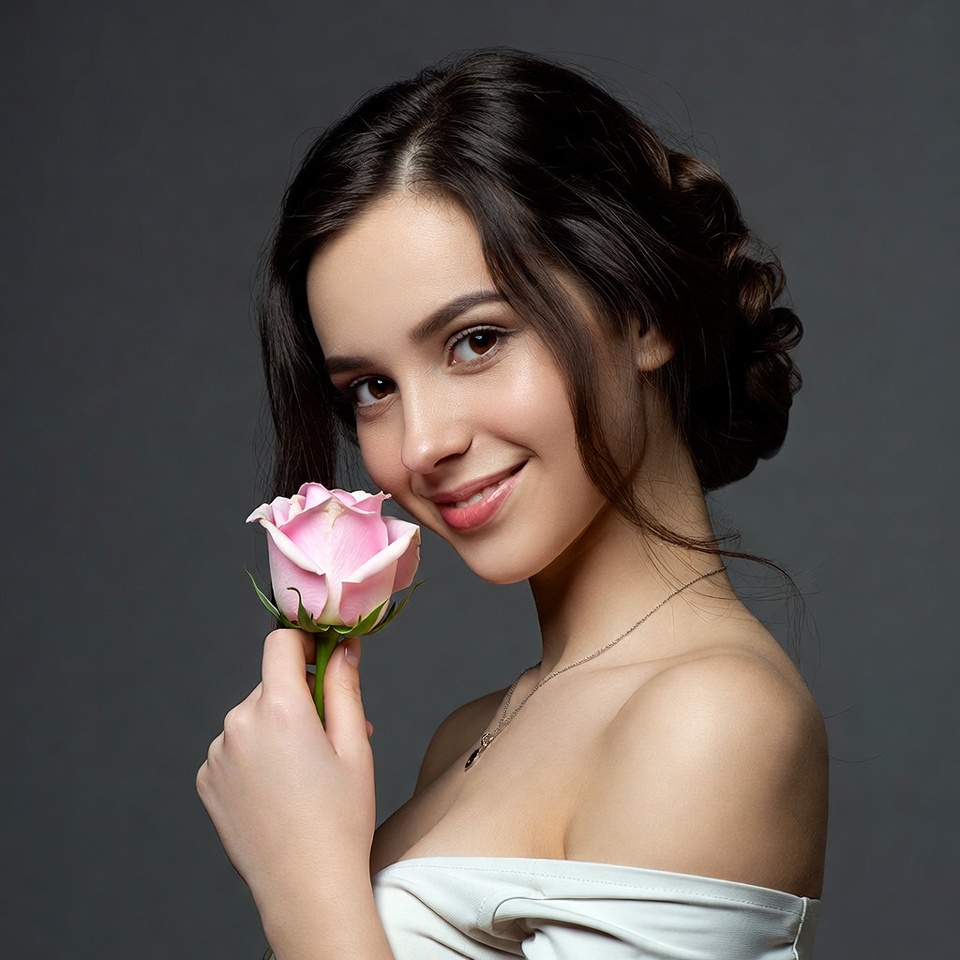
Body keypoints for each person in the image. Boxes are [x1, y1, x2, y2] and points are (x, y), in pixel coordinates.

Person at [197, 48, 828, 960]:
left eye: (475, 340)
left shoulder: (712, 718)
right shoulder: (471, 734)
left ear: (642, 312)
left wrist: (303, 881)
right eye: (371, 387)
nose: (418, 446)